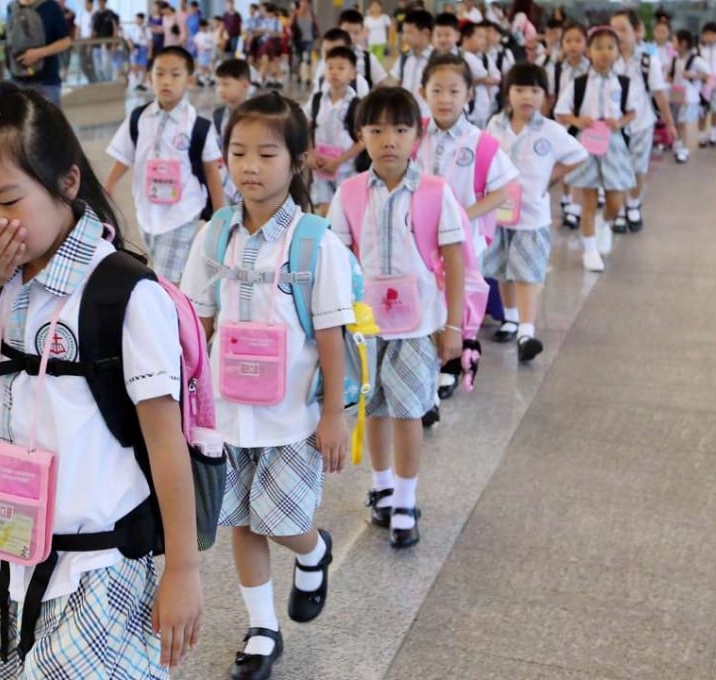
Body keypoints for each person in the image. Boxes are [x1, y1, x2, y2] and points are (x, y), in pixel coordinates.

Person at [0, 82, 203, 678]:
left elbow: (165, 441)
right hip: (4, 560)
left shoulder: (123, 293)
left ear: (67, 183)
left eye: (8, 200)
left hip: (100, 567)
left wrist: (182, 570)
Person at [180, 90, 352, 680]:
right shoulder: (215, 234)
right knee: (242, 520)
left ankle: (315, 550)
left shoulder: (313, 240)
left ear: (298, 161)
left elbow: (332, 334)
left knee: (280, 520)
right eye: (238, 152)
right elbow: (196, 318)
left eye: (267, 153)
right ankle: (262, 627)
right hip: (227, 412)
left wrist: (335, 413)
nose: (249, 166)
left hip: (291, 416)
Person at [329, 87, 466, 549]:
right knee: (374, 408)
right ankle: (383, 485)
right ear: (361, 135)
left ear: (417, 136)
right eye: (377, 129)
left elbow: (454, 257)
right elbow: (336, 258)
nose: (389, 139)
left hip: (418, 324)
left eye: (400, 129)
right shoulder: (348, 193)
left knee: (408, 411)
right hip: (365, 325)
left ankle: (407, 498)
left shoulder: (434, 193)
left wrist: (453, 326)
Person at [418, 53, 518, 394]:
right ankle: (426, 359)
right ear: (423, 92)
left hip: (463, 241)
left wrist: (462, 216)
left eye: (454, 91)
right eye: (437, 90)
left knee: (454, 298)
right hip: (418, 237)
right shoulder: (413, 135)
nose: (445, 99)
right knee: (424, 295)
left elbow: (503, 191)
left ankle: (449, 363)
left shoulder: (482, 143)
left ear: (469, 95)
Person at [484, 63, 587, 362]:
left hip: (532, 215)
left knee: (527, 272)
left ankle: (526, 332)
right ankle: (510, 318)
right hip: (500, 211)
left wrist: (552, 177)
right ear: (508, 93)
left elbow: (579, 155)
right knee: (504, 268)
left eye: (534, 90)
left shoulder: (552, 131)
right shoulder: (495, 124)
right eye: (519, 90)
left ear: (546, 96)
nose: (526, 96)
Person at [104, 46, 225, 283]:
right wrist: (108, 186)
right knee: (167, 269)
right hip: (147, 211)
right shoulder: (139, 117)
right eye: (159, 74)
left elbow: (211, 169)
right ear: (150, 78)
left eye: (175, 74)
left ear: (189, 80)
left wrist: (220, 214)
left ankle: (171, 316)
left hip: (182, 212)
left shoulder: (198, 125)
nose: (166, 81)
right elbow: (125, 155)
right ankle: (181, 308)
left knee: (165, 278)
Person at [555, 26, 636, 273]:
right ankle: (590, 250)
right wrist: (578, 121)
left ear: (617, 51)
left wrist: (619, 122)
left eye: (610, 47)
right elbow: (561, 111)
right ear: (589, 52)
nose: (604, 53)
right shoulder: (578, 84)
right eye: (598, 47)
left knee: (616, 199)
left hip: (613, 143)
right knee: (588, 198)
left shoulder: (624, 83)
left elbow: (633, 111)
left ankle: (605, 223)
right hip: (586, 143)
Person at [611, 9, 674, 235]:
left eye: (622, 29)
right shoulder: (607, 59)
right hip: (614, 127)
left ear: (637, 31)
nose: (617, 35)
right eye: (613, 30)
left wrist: (670, 123)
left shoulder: (648, 61)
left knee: (637, 168)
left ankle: (634, 203)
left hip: (641, 125)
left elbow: (659, 94)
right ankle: (618, 210)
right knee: (616, 170)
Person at [304, 46, 364, 217]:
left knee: (345, 214)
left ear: (352, 73)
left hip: (346, 170)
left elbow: (364, 140)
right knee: (323, 212)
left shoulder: (357, 104)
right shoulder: (317, 100)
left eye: (341, 68)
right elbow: (307, 125)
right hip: (320, 168)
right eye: (330, 67)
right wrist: (310, 152)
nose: (334, 72)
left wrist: (338, 161)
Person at [546, 22, 589, 229]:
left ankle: (574, 206)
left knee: (578, 163)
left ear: (585, 44)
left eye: (578, 40)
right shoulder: (555, 68)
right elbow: (550, 95)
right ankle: (566, 197)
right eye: (568, 41)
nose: (573, 45)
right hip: (561, 123)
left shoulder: (590, 68)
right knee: (563, 163)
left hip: (583, 125)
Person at [6, 0, 72, 106]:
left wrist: (38, 53)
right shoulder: (11, 7)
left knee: (49, 121)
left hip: (47, 81)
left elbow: (65, 41)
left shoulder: (50, 6)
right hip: (17, 79)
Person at [668, 29, 710, 164]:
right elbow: (671, 75)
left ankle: (684, 150)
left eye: (674, 40)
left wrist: (694, 75)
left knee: (682, 122)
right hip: (676, 93)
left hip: (689, 96)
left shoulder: (695, 60)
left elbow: (708, 74)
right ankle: (679, 143)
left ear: (683, 43)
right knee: (677, 121)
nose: (672, 43)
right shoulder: (674, 59)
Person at [213, 58, 252, 203]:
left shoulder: (258, 115)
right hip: (225, 183)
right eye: (218, 84)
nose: (220, 89)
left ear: (245, 85)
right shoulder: (218, 115)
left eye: (226, 84)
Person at [386, 9, 434, 116]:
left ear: (426, 33)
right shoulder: (404, 58)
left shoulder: (437, 60)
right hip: (406, 117)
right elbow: (393, 82)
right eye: (404, 32)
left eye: (409, 32)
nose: (404, 37)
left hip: (429, 118)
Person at [458, 21, 499, 129]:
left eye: (484, 37)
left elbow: (496, 78)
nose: (483, 41)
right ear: (466, 38)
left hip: (483, 107)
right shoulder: (465, 56)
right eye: (480, 37)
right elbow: (486, 77)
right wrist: (482, 80)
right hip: (470, 108)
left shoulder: (484, 57)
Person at [91, 0, 120, 83]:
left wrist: (114, 43)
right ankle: (100, 82)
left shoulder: (111, 14)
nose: (100, 4)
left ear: (105, 2)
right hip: (97, 44)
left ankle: (108, 82)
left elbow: (115, 29)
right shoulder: (95, 15)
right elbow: (93, 30)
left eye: (101, 2)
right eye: (99, 2)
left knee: (107, 65)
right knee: (97, 65)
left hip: (107, 44)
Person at [291, 0, 318, 86]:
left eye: (306, 2)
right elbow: (290, 25)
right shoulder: (295, 13)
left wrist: (318, 36)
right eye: (302, 2)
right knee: (299, 59)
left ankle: (308, 78)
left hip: (309, 39)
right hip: (298, 39)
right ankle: (299, 76)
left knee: (308, 59)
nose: (304, 4)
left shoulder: (311, 14)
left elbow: (316, 25)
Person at [128, 12, 151, 91]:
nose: (136, 20)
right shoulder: (134, 29)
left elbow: (149, 41)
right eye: (136, 19)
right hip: (136, 49)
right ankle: (137, 82)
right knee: (135, 66)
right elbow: (130, 38)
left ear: (142, 19)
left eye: (138, 19)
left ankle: (142, 83)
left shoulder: (146, 29)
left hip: (143, 48)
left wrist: (149, 52)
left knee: (143, 66)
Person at [193, 19, 216, 86]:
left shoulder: (210, 34)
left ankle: (210, 78)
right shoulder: (198, 35)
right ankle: (203, 79)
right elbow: (195, 43)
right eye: (201, 27)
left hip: (208, 52)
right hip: (201, 53)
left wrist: (209, 50)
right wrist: (198, 48)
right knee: (202, 66)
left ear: (207, 26)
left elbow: (213, 44)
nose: (202, 28)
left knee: (207, 66)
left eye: (204, 27)